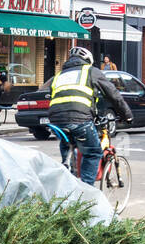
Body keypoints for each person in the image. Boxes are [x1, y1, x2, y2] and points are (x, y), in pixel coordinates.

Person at [46, 46, 133, 185]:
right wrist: (127, 115)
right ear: (87, 61)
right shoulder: (91, 71)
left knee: (68, 144)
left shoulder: (59, 76)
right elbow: (114, 95)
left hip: (56, 121)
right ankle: (86, 193)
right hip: (80, 120)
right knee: (93, 152)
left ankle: (67, 172)